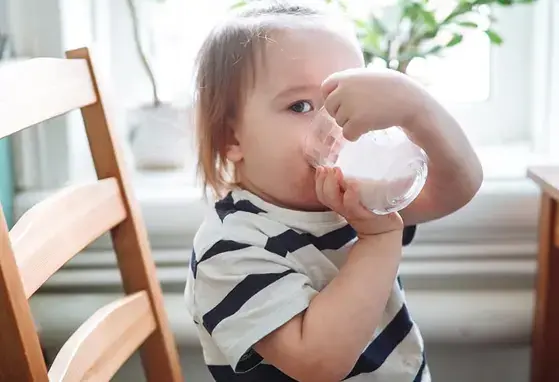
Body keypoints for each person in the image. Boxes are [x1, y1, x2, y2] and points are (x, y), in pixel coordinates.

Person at [184, 1, 483, 381]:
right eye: (301, 105)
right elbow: (318, 363)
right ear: (232, 137)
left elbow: (457, 187)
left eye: (343, 102)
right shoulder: (231, 247)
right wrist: (379, 239)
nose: (335, 127)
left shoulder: (352, 195)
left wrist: (416, 108)